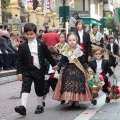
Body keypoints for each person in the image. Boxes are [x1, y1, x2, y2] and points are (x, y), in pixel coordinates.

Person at [14, 23, 56, 116]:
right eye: (27, 34)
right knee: (25, 87)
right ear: (24, 34)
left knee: (39, 88)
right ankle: (23, 107)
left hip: (39, 70)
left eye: (31, 34)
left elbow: (48, 56)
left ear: (36, 33)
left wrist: (54, 65)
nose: (29, 36)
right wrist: (19, 72)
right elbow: (19, 60)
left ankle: (40, 105)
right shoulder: (22, 45)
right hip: (27, 70)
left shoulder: (41, 43)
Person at [53, 33, 93, 107]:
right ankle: (70, 100)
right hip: (68, 69)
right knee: (67, 84)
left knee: (77, 84)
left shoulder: (79, 51)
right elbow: (62, 61)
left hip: (78, 70)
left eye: (74, 40)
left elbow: (83, 62)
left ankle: (77, 100)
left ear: (77, 41)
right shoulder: (66, 51)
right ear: (67, 41)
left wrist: (88, 68)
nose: (72, 42)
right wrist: (57, 66)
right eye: (70, 40)